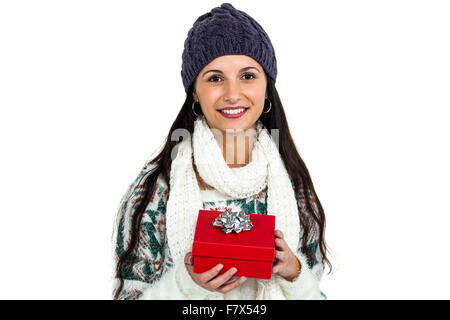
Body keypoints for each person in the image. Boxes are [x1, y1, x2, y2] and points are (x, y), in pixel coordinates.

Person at [111, 2, 331, 300]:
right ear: (195, 93)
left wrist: (295, 275)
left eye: (248, 76)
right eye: (215, 78)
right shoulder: (155, 186)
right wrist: (186, 285)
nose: (232, 94)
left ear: (267, 87)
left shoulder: (294, 186)